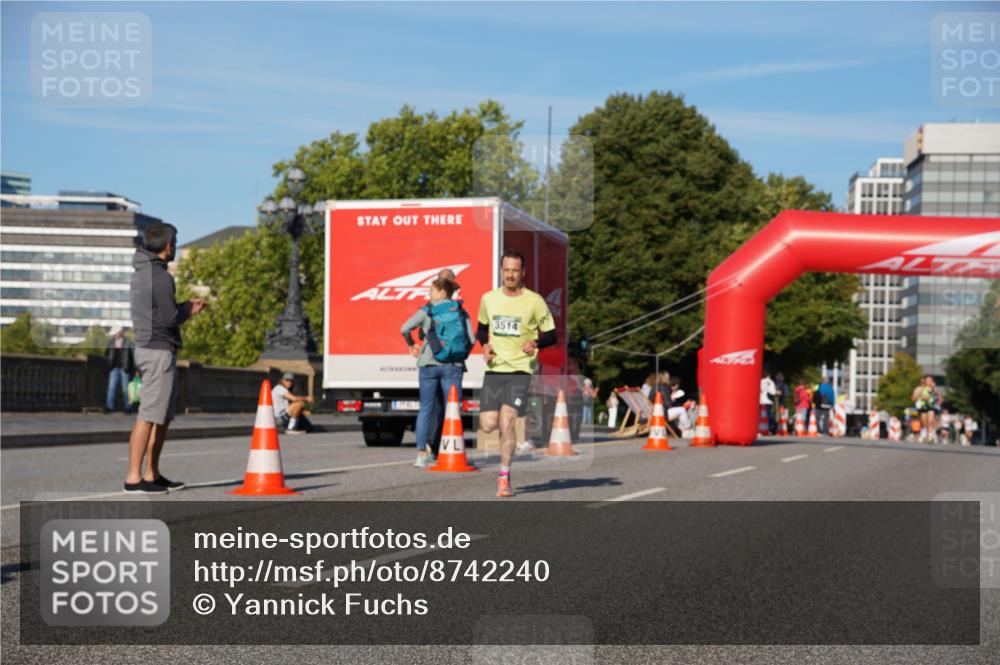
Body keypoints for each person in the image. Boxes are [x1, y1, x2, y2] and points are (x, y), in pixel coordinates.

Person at [125, 223, 206, 494]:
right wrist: (188, 309)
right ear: (168, 246)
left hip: (152, 348)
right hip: (159, 351)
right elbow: (169, 318)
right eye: (176, 245)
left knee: (160, 416)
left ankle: (152, 473)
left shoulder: (142, 272)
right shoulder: (160, 277)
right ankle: (135, 477)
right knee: (149, 416)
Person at [477, 249, 557, 498]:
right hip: (495, 369)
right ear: (501, 271)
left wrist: (536, 343)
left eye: (515, 270)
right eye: (506, 270)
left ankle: (504, 476)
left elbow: (552, 335)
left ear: (523, 273)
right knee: (489, 424)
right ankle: (506, 440)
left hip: (520, 369)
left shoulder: (534, 301)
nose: (510, 275)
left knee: (507, 420)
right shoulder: (488, 299)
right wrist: (485, 345)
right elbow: (482, 328)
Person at [400, 277, 474, 467]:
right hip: (453, 366)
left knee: (426, 408)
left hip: (429, 365)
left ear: (442, 292)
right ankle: (450, 450)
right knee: (452, 409)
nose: (429, 294)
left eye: (432, 290)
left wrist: (412, 344)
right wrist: (459, 354)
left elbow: (404, 328)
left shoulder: (427, 311)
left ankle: (422, 454)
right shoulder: (460, 311)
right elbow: (472, 339)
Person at [105, 327, 135, 414]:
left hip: (125, 368)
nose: (114, 335)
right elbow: (107, 354)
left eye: (115, 333)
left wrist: (135, 368)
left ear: (120, 332)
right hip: (113, 368)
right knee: (111, 388)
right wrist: (108, 365)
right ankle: (109, 407)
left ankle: (128, 407)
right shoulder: (111, 342)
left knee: (126, 389)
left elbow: (134, 354)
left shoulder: (128, 342)